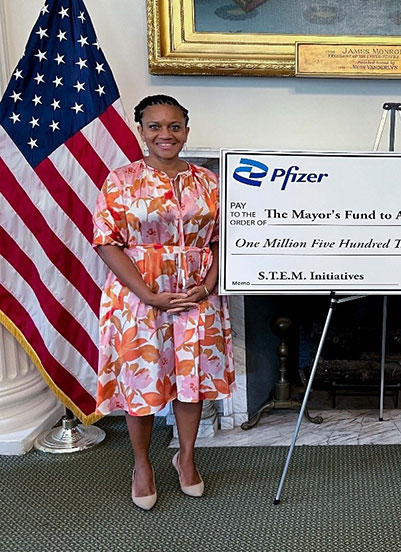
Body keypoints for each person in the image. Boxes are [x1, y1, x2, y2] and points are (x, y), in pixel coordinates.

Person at [92, 95, 235, 510]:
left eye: (174, 126)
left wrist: (208, 286)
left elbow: (224, 241)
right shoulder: (120, 181)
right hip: (138, 297)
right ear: (141, 131)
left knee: (192, 383)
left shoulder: (211, 183)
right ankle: (141, 465)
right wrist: (147, 293)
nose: (165, 134)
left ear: (186, 131)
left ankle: (186, 457)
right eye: (154, 126)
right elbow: (106, 241)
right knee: (142, 383)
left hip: (197, 295)